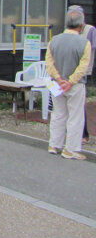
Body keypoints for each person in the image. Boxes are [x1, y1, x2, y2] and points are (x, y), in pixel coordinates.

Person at [45, 8, 92, 160]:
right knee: (75, 117)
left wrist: (59, 79)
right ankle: (70, 149)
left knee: (58, 114)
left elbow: (49, 64)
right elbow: (83, 67)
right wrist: (70, 82)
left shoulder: (54, 40)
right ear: (81, 25)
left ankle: (54, 145)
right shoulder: (85, 43)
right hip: (75, 86)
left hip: (57, 84)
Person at [67, 5, 95, 144]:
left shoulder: (90, 30)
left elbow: (91, 50)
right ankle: (76, 134)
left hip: (84, 71)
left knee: (79, 103)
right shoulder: (69, 30)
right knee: (72, 104)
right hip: (70, 70)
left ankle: (83, 134)